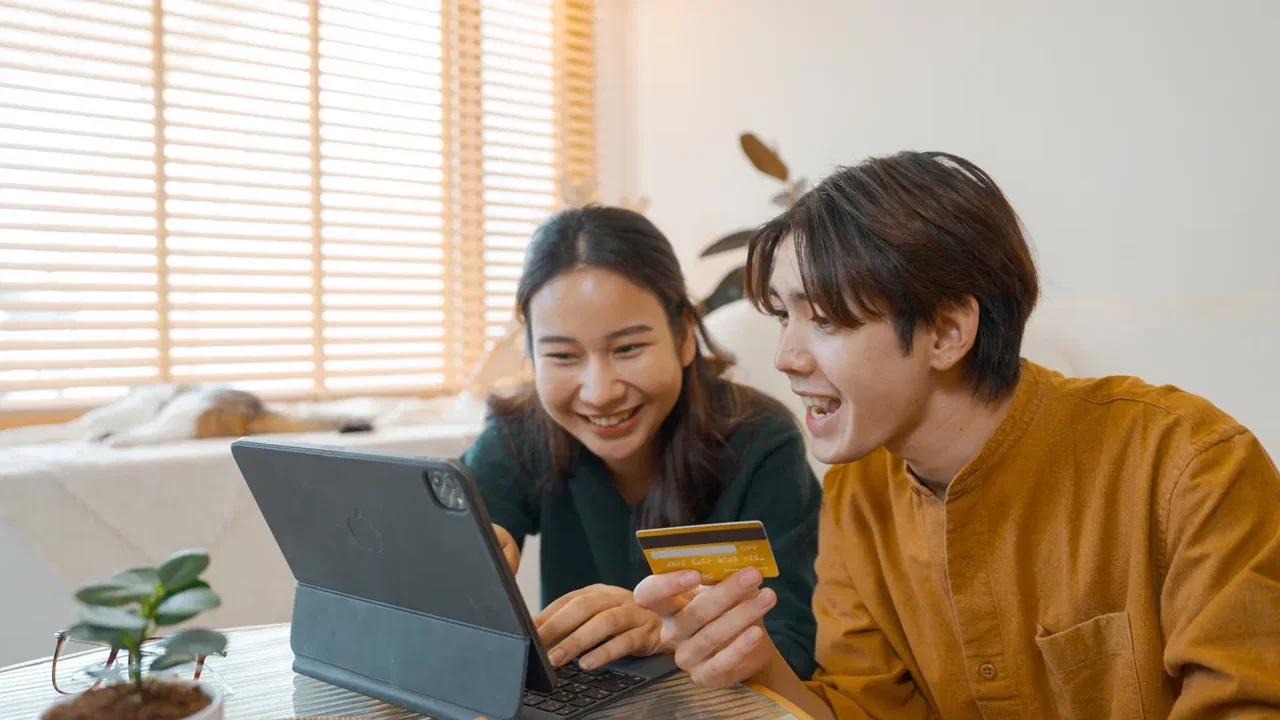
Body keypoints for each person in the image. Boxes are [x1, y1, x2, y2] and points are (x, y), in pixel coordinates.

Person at [634, 151, 1280, 718]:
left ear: (946, 333)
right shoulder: (859, 498)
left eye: (825, 319)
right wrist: (752, 663)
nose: (785, 358)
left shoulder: (1192, 468)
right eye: (783, 316)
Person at [459, 204, 820, 678]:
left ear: (685, 336)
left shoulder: (761, 443)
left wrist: (672, 631)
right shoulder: (521, 434)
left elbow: (794, 649)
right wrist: (452, 573)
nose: (600, 392)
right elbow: (436, 568)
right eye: (563, 355)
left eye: (628, 348)